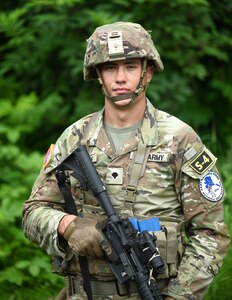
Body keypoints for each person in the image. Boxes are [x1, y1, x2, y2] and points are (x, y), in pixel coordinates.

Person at [22, 22, 230, 300]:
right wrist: (67, 225)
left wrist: (179, 296)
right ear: (98, 74)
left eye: (131, 66)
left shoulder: (180, 140)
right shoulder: (74, 138)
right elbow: (33, 212)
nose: (120, 78)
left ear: (148, 72)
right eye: (110, 68)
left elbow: (210, 234)